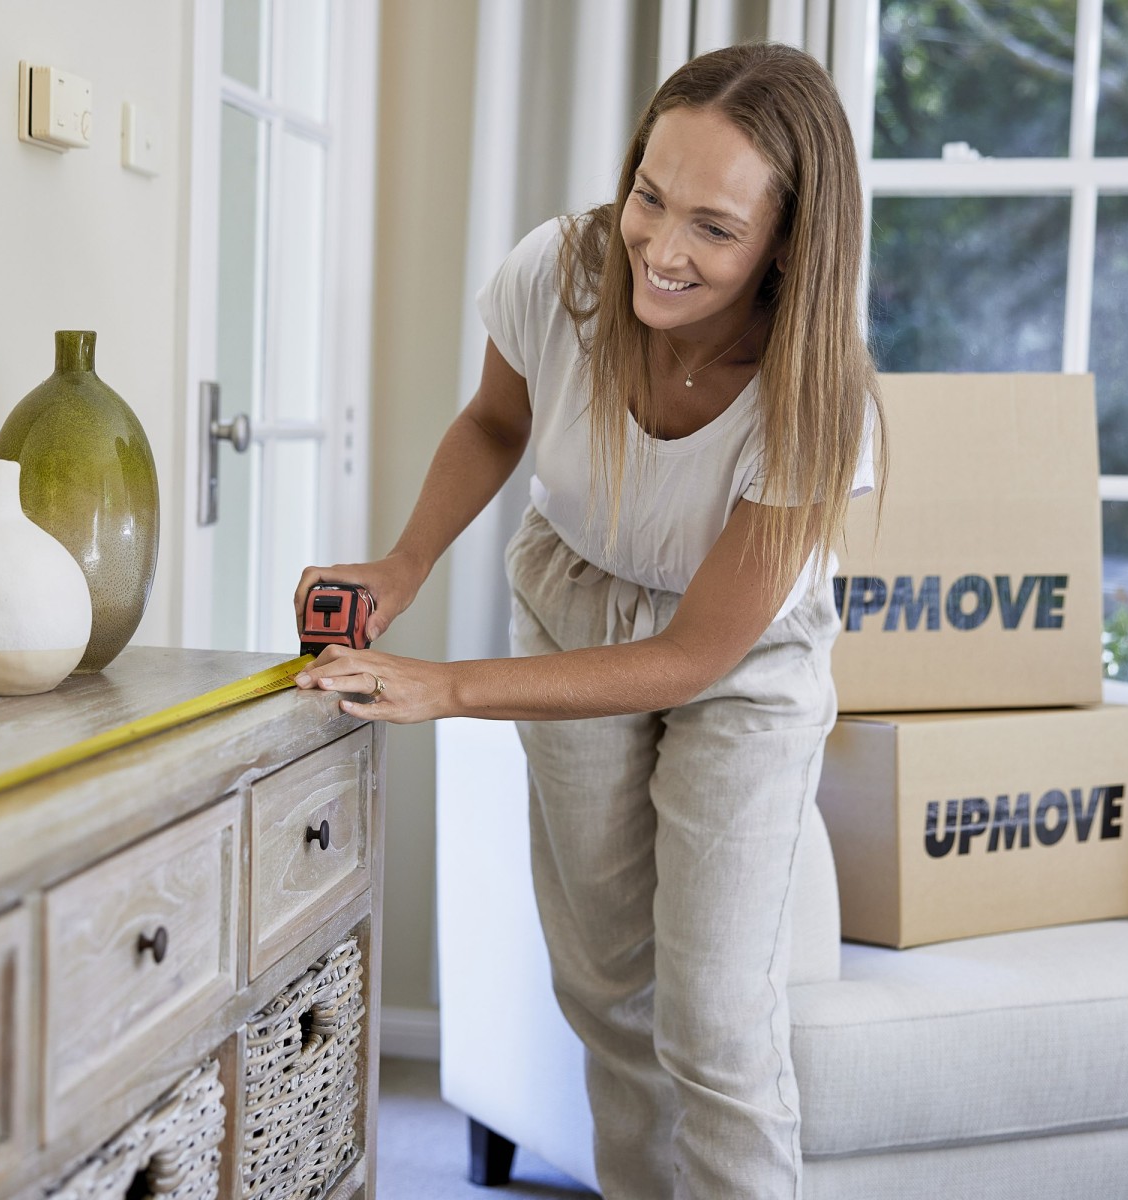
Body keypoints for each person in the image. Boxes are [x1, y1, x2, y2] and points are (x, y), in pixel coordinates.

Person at [294, 44, 881, 1198]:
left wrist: (446, 687)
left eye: (714, 227)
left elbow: (693, 655)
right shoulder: (561, 272)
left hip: (739, 660)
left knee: (714, 1016)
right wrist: (405, 567)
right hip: (572, 594)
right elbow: (493, 423)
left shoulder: (817, 397)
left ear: (787, 242)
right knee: (607, 993)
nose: (661, 249)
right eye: (649, 196)